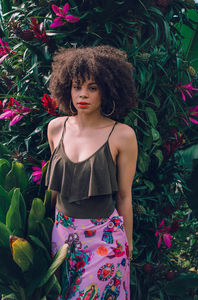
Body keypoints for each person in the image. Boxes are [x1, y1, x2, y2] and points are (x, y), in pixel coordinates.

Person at [45, 45, 138, 300]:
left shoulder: (122, 135)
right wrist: (44, 229)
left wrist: (127, 246)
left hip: (104, 240)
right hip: (61, 237)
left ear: (107, 90)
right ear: (67, 88)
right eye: (77, 86)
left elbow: (124, 196)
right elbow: (54, 190)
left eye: (92, 87)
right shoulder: (55, 129)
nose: (82, 94)